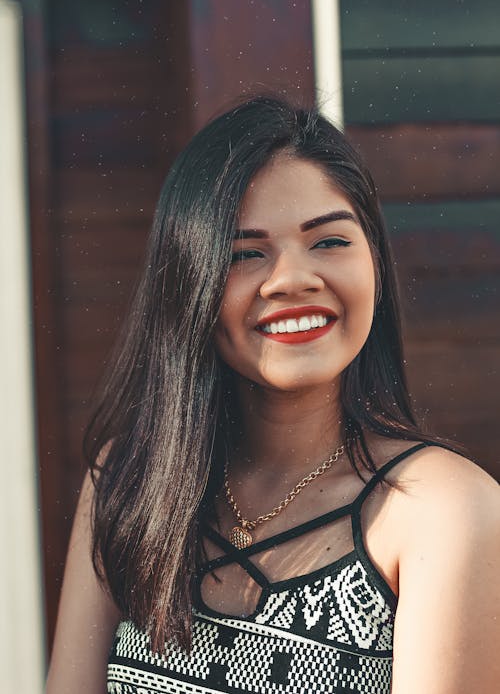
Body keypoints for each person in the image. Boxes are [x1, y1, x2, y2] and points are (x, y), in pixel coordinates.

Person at [46, 95, 500, 694]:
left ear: (375, 265)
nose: (292, 279)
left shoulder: (441, 511)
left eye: (330, 242)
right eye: (245, 254)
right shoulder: (129, 477)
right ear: (189, 284)